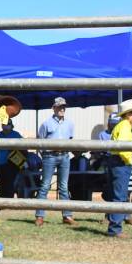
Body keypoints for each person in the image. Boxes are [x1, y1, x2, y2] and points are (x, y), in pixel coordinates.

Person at [103, 99, 132, 238]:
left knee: (117, 194)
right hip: (121, 163)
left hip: (114, 161)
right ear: (128, 114)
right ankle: (115, 229)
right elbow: (124, 149)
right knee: (120, 196)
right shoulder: (125, 126)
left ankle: (114, 222)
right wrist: (129, 161)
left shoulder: (120, 125)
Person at [35, 97, 76, 226]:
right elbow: (39, 141)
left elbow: (70, 140)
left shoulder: (70, 124)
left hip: (64, 156)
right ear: (54, 108)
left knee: (64, 187)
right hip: (49, 157)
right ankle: (40, 216)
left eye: (64, 107)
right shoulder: (46, 124)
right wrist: (45, 155)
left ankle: (67, 216)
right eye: (59, 107)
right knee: (45, 186)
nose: (62, 109)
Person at [0, 119, 24, 198]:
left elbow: (24, 148)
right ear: (2, 125)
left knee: (11, 184)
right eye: (4, 124)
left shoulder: (16, 135)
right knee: (2, 183)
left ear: (11, 126)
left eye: (8, 124)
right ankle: (3, 202)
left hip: (13, 164)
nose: (6, 126)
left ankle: (9, 201)